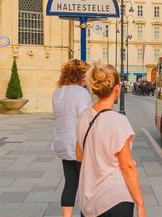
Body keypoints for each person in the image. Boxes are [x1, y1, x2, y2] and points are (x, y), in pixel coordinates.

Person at [75, 63, 146, 217]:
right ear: (117, 88)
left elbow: (79, 156)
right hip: (114, 199)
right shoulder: (118, 121)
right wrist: (140, 204)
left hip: (88, 201)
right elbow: (127, 167)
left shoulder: (84, 117)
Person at [52, 59, 91, 217]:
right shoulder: (81, 92)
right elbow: (86, 119)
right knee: (86, 185)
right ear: (80, 75)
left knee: (70, 183)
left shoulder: (58, 91)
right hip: (78, 144)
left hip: (62, 142)